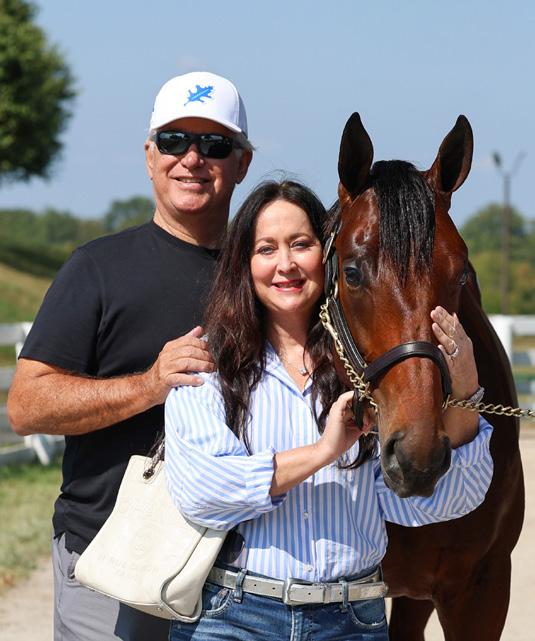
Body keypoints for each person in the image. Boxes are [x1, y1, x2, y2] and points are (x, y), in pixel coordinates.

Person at [164, 179, 494, 641]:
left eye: (301, 244)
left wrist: (466, 388)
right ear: (245, 263)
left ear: (327, 254)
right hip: (234, 618)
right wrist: (323, 452)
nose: (286, 264)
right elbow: (204, 493)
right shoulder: (209, 367)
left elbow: (446, 501)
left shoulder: (368, 378)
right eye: (266, 248)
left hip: (350, 620)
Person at [7, 71, 253, 641]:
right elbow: (26, 406)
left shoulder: (267, 275)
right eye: (174, 141)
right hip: (115, 560)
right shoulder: (96, 268)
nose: (192, 158)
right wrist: (149, 385)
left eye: (214, 144)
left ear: (242, 163)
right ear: (149, 156)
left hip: (243, 574)